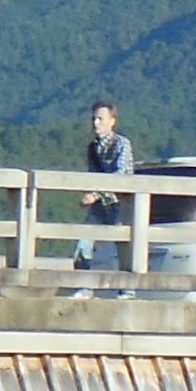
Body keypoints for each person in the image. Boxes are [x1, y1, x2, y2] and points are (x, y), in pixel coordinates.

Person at [82, 101, 134, 276]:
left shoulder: (122, 144)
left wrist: (95, 194)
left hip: (120, 203)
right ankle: (83, 286)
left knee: (123, 249)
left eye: (100, 118)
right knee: (84, 244)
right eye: (94, 119)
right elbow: (92, 175)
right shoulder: (92, 148)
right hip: (99, 206)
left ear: (112, 121)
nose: (96, 123)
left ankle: (127, 290)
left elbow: (120, 174)